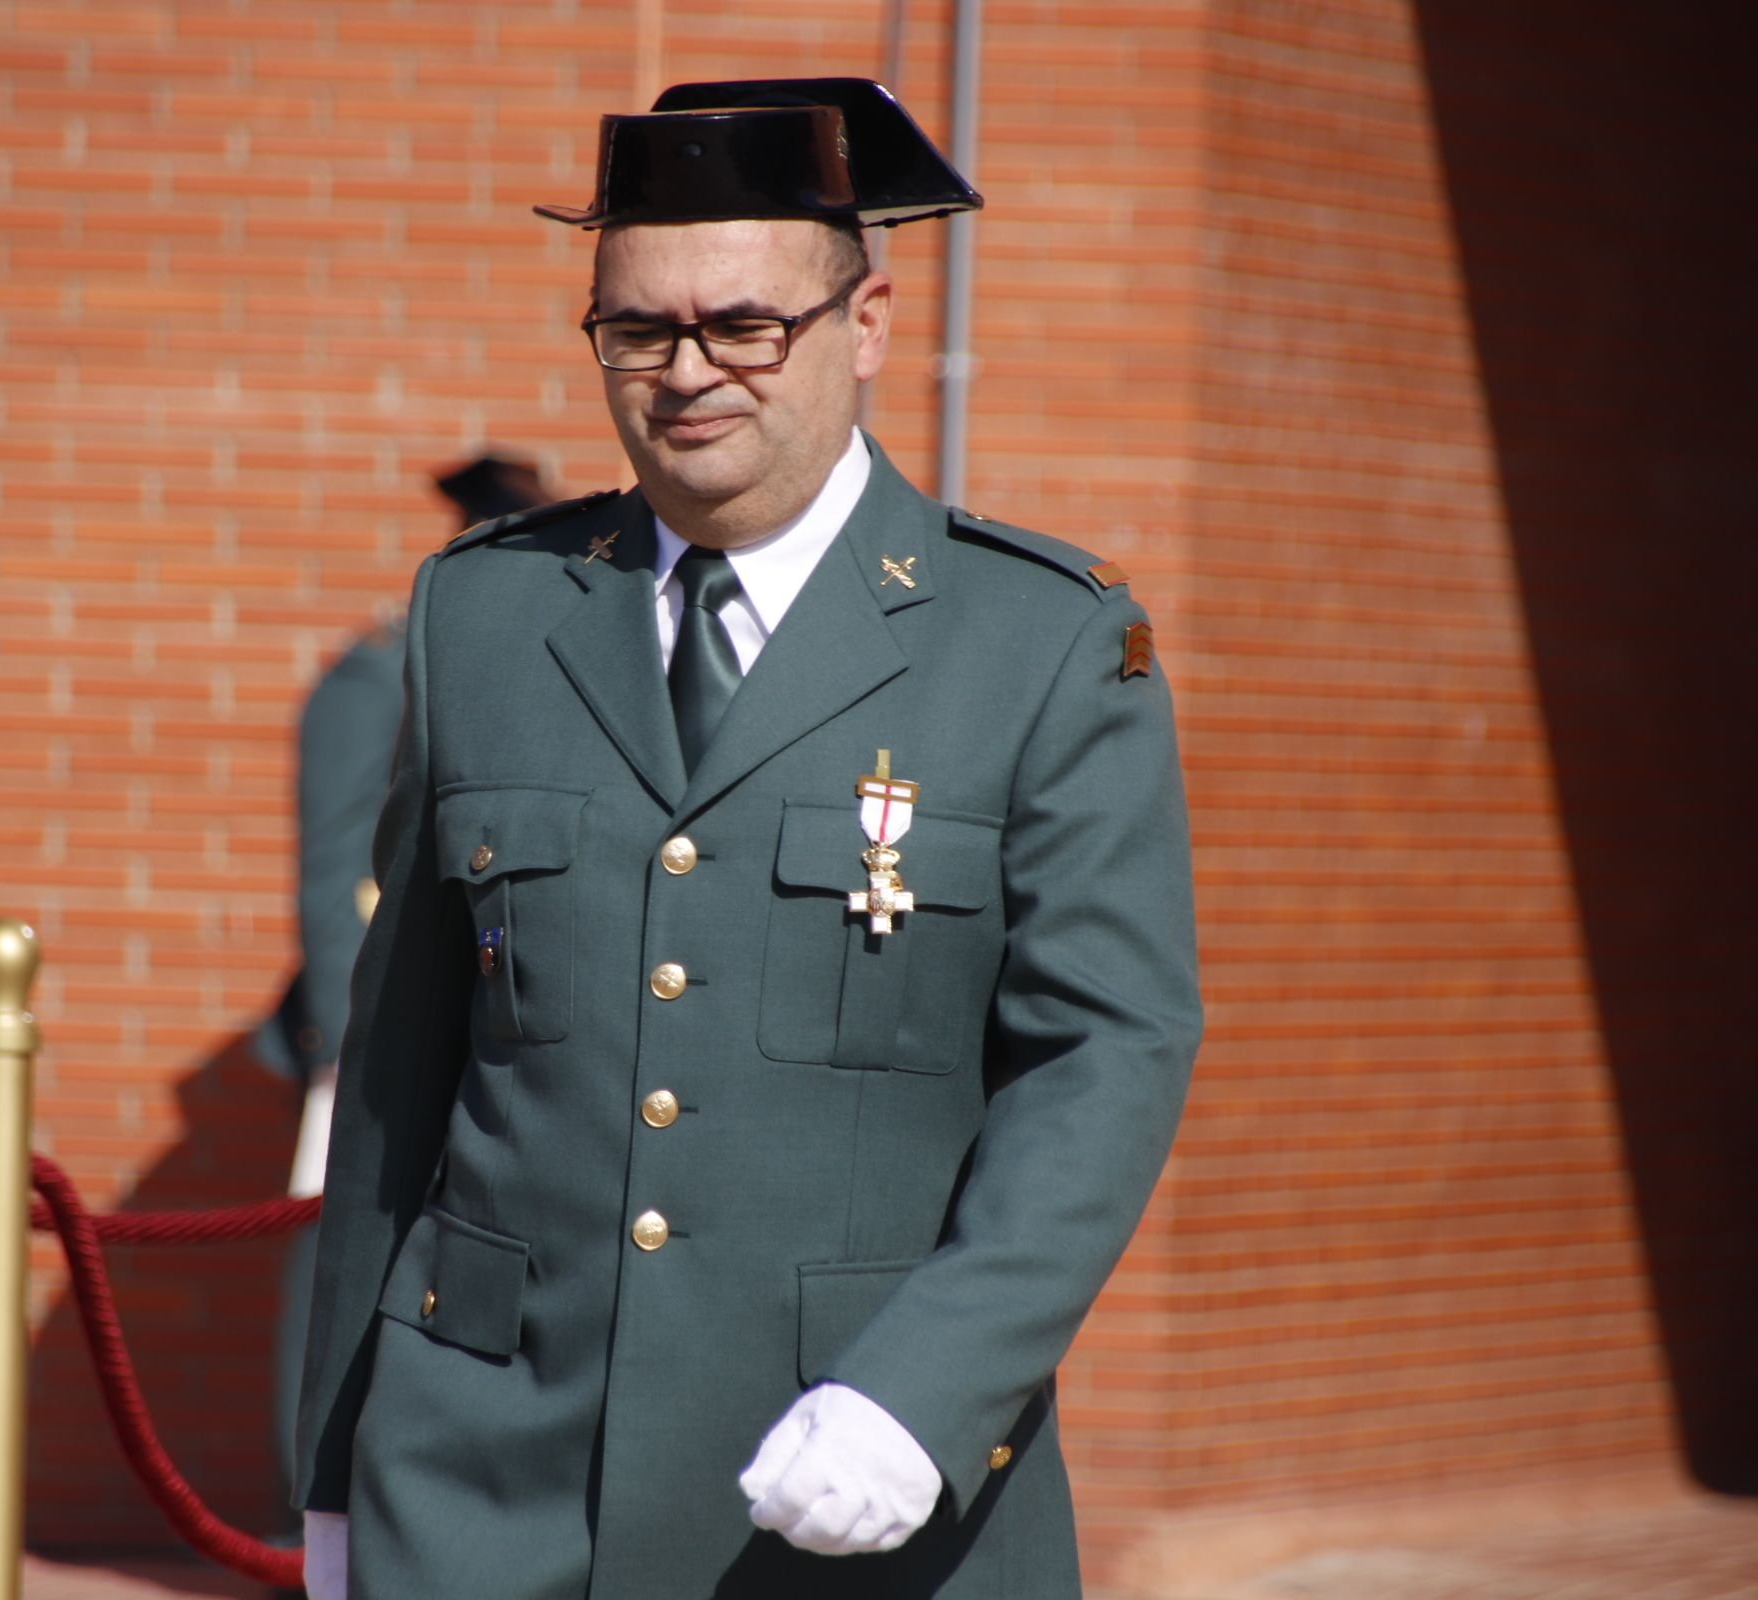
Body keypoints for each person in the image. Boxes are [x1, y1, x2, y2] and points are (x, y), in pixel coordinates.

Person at [293, 79, 1202, 1599]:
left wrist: (925, 1393)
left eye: (744, 326)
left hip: (846, 1488)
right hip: (477, 1494)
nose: (686, 374)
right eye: (636, 331)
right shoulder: (489, 612)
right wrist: (329, 1476)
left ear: (869, 324)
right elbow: (402, 1073)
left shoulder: (1036, 644)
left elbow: (1107, 1057)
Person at [257, 454, 555, 1530]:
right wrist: (351, 1031)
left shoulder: (519, 665)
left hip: (487, 1019)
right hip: (378, 1018)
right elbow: (338, 863)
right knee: (342, 1254)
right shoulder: (382, 667)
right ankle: (306, 1518)